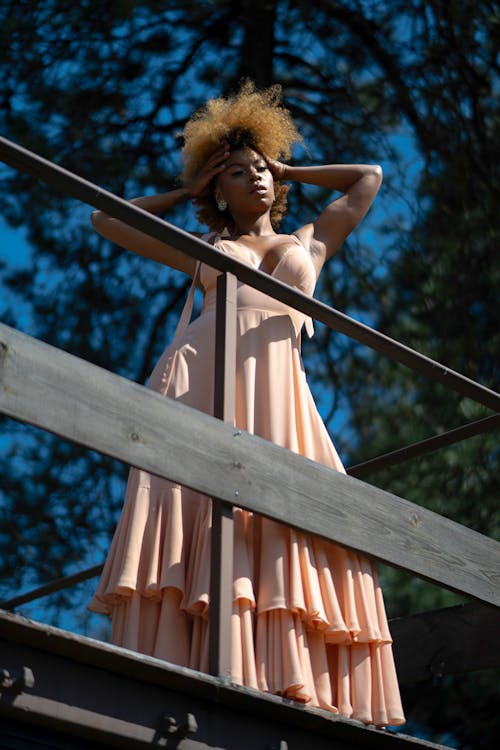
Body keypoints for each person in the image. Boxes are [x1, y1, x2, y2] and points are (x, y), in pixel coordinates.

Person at [88, 82, 405, 727]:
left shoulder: (310, 242)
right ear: (217, 190)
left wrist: (288, 166)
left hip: (280, 389)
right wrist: (187, 190)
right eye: (237, 173)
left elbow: (368, 177)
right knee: (202, 511)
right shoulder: (202, 248)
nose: (255, 178)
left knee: (298, 520)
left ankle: (284, 673)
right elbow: (107, 219)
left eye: (260, 169)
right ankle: (200, 665)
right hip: (209, 384)